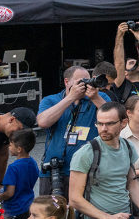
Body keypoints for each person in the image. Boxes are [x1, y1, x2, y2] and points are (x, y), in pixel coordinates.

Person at [69, 102, 139, 219]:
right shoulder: (86, 153)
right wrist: (108, 218)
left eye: (110, 124)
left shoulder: (128, 147)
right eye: (100, 123)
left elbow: (132, 183)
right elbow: (74, 199)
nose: (103, 128)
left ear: (123, 123)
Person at [35, 66, 108, 196]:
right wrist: (70, 98)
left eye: (88, 80)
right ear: (67, 82)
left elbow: (117, 118)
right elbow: (43, 122)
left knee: (84, 213)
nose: (85, 84)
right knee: (51, 213)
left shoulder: (99, 97)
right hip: (55, 170)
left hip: (88, 169)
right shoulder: (51, 100)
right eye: (81, 81)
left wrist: (95, 98)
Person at [0, 129, 39, 219]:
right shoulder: (33, 162)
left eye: (11, 145)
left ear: (19, 149)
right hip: (29, 206)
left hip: (14, 210)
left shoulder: (13, 168)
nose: (9, 148)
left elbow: (10, 193)